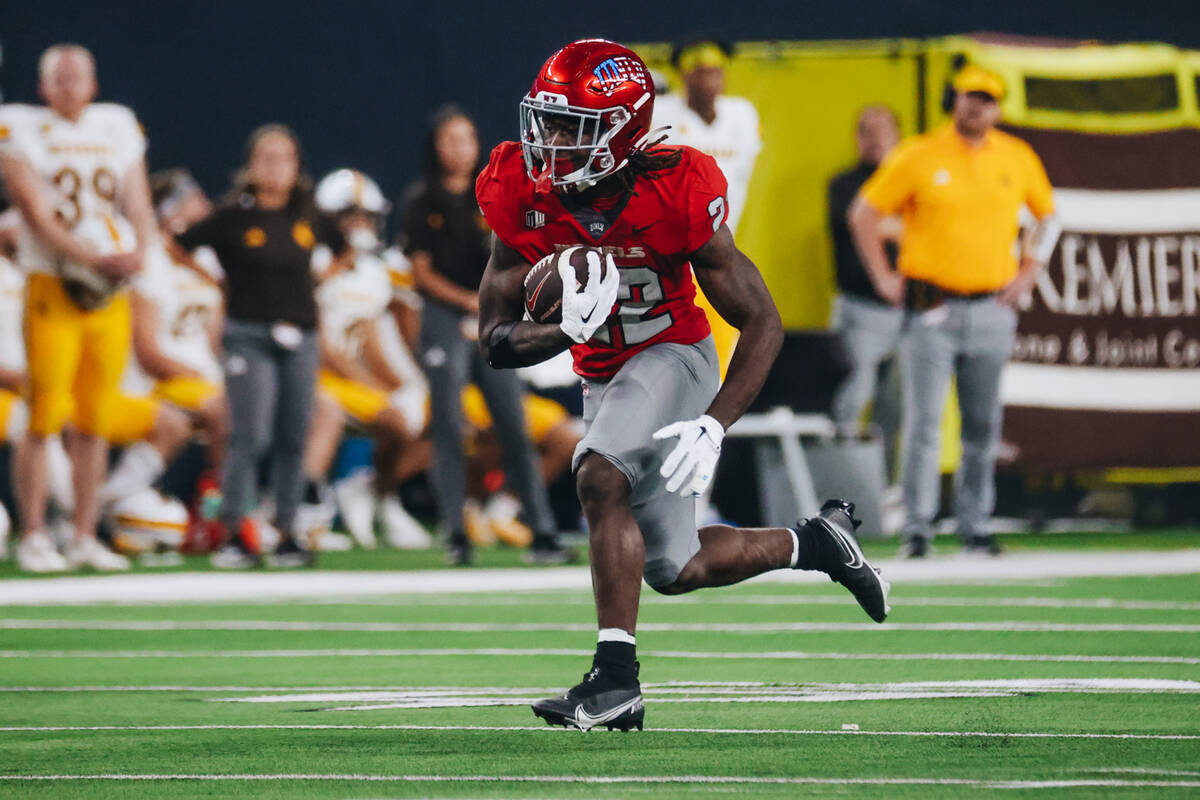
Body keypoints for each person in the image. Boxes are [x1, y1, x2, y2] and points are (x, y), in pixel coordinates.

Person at [477, 38, 889, 732]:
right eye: (546, 120)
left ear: (619, 133)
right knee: (675, 565)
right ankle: (818, 542)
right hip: (605, 375)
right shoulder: (520, 185)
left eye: (569, 126)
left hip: (676, 353)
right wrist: (564, 330)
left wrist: (714, 421)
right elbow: (495, 340)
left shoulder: (677, 185)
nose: (548, 141)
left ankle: (615, 684)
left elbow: (762, 321)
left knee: (598, 474)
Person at [849, 65, 1059, 558]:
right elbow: (864, 213)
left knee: (983, 425)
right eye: (969, 97)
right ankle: (918, 528)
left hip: (990, 306)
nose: (976, 106)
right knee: (923, 423)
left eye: (986, 99)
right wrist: (882, 276)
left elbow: (1048, 216)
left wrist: (1029, 271)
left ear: (999, 107)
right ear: (954, 98)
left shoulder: (1017, 156)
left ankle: (975, 526)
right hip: (932, 308)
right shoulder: (919, 153)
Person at [0, 44, 157, 572]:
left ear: (94, 82)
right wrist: (89, 257)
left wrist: (141, 250)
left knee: (94, 418)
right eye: (58, 79)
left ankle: (85, 534)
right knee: (43, 415)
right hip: (53, 282)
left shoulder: (116, 125)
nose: (68, 87)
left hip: (108, 291)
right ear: (43, 86)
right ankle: (36, 535)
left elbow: (137, 201)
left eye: (77, 78)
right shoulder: (19, 125)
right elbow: (33, 208)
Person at [175, 124, 345, 569]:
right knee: (250, 434)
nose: (274, 167)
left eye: (283, 158)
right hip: (248, 334)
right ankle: (235, 533)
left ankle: (287, 531)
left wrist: (323, 277)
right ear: (251, 166)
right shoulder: (233, 215)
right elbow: (178, 244)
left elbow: (345, 248)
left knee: (293, 435)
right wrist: (212, 279)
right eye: (265, 158)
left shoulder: (307, 212)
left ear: (296, 166)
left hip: (301, 334)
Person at [404, 105, 566, 566]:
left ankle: (542, 531)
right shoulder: (421, 201)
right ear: (437, 147)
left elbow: (521, 253)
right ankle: (455, 531)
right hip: (443, 318)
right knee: (449, 426)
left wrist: (499, 300)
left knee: (513, 423)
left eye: (467, 138)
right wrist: (469, 301)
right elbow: (420, 274)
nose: (460, 148)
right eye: (451, 139)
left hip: (491, 318)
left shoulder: (493, 192)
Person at [309, 168, 431, 550]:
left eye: (367, 217)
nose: (362, 225)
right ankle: (315, 506)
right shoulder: (312, 260)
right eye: (351, 216)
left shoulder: (375, 272)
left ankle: (375, 490)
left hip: (356, 375)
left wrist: (397, 381)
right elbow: (321, 344)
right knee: (395, 420)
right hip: (321, 376)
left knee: (442, 418)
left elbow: (374, 337)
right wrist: (370, 383)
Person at [653, 40, 761, 377]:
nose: (709, 80)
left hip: (720, 251)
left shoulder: (741, 114)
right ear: (684, 75)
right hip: (670, 256)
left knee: (722, 351)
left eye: (715, 72)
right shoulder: (663, 112)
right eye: (700, 73)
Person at [828, 107, 903, 465]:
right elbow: (859, 227)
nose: (874, 138)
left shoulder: (911, 182)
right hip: (861, 308)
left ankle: (884, 491)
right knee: (850, 401)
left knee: (897, 408)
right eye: (866, 130)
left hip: (910, 312)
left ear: (898, 135)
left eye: (882, 129)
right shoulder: (844, 185)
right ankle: (838, 481)